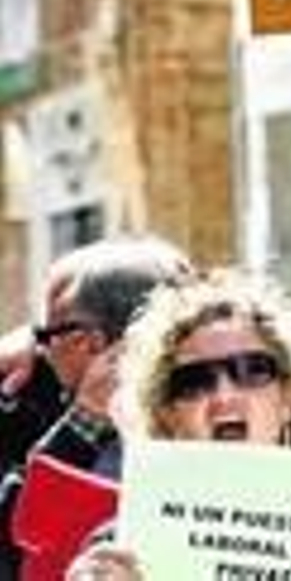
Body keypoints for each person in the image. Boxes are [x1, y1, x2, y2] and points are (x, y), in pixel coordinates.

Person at [64, 267, 291, 579]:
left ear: (289, 399)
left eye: (252, 371)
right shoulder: (128, 546)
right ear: (166, 415)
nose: (224, 397)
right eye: (194, 382)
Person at [0, 237, 191, 576]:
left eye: (44, 335)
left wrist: (84, 421)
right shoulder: (30, 394)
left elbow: (19, 546)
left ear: (85, 342)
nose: (40, 350)